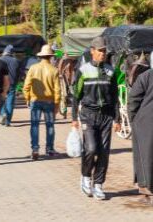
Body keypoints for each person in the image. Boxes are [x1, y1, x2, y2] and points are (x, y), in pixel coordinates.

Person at [72, 36, 121, 200]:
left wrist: (117, 119)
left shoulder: (110, 71)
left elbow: (115, 97)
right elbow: (76, 96)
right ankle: (85, 178)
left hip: (106, 116)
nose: (103, 54)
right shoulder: (83, 70)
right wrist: (73, 118)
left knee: (104, 152)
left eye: (104, 51)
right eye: (100, 51)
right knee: (91, 149)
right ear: (92, 51)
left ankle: (98, 184)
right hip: (88, 115)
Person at [23, 44, 60, 160]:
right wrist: (57, 104)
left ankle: (35, 148)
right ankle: (49, 149)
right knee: (50, 126)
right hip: (49, 101)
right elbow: (58, 90)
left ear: (41, 56)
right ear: (50, 57)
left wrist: (27, 98)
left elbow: (26, 86)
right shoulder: (54, 70)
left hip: (35, 100)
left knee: (34, 125)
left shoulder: (33, 68)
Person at [128, 65, 153, 205]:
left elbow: (133, 100)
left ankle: (146, 189)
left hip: (145, 123)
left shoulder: (144, 77)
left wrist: (133, 120)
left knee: (144, 155)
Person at [0, 45, 21, 126]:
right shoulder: (16, 61)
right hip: (12, 83)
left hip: (2, 83)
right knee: (10, 102)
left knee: (1, 100)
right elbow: (19, 73)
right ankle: (8, 121)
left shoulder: (0, 60)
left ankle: (3, 113)